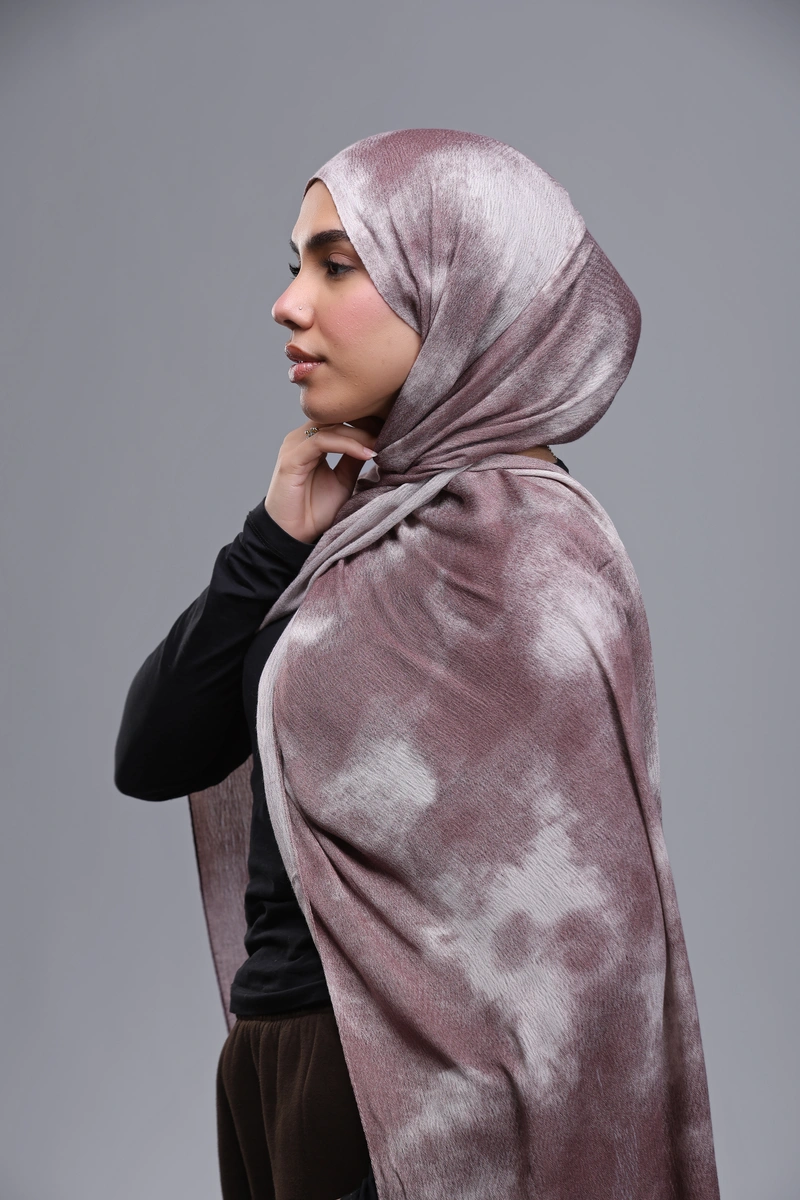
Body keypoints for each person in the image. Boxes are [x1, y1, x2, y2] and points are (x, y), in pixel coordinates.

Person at [115, 129, 720, 1200]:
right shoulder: (355, 530)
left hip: (411, 1110)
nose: (288, 305)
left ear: (460, 294)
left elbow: (577, 962)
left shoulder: (537, 559)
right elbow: (155, 753)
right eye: (294, 265)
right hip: (277, 1068)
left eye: (336, 266)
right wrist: (270, 543)